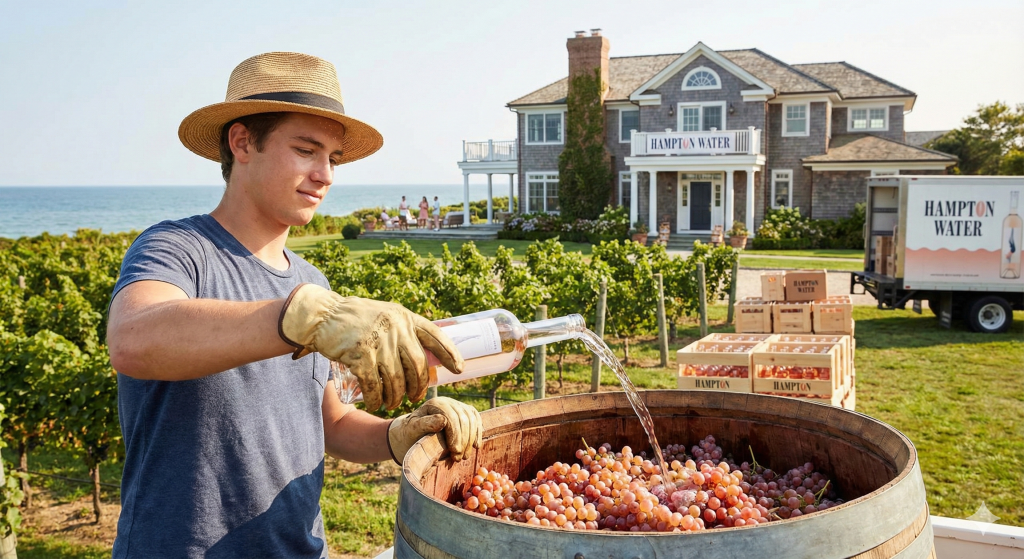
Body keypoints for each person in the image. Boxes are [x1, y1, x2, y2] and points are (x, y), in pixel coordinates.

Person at [105, 52, 482, 558]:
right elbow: (133, 340)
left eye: (333, 158)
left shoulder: (309, 280)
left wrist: (403, 434)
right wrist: (298, 316)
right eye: (306, 150)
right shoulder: (178, 249)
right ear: (242, 142)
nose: (325, 175)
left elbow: (333, 424)